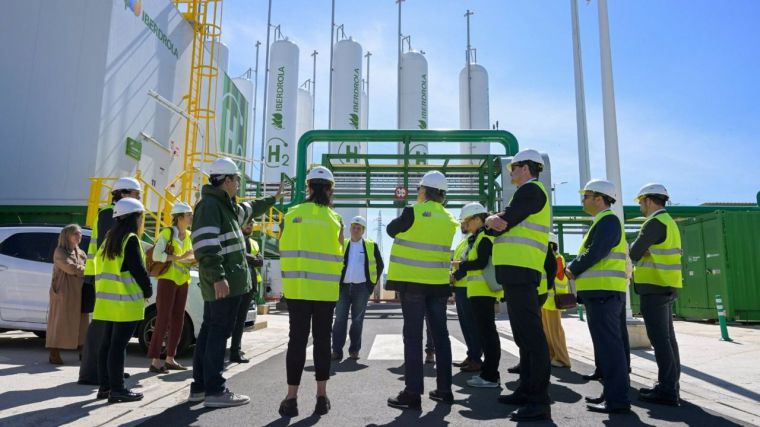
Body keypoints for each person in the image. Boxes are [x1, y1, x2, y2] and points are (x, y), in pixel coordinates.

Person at [189, 157, 282, 408]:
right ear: (227, 180)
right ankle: (215, 390)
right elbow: (206, 246)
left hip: (226, 282)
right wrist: (218, 277)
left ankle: (199, 387)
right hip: (223, 283)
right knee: (217, 334)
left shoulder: (225, 206)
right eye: (237, 180)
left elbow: (250, 208)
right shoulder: (210, 206)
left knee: (210, 332)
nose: (239, 184)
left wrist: (273, 199)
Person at [485, 149, 552, 421]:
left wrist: (491, 219)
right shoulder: (527, 193)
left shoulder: (531, 191)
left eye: (513, 167)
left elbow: (501, 223)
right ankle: (526, 390)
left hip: (523, 271)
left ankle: (539, 400)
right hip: (517, 272)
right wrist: (495, 221)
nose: (510, 171)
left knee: (532, 336)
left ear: (526, 168)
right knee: (524, 335)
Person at [386, 170, 458, 411]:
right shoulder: (450, 220)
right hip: (438, 285)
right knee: (441, 337)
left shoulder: (412, 212)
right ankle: (445, 390)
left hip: (413, 284)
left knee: (413, 337)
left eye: (419, 190)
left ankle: (412, 393)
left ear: (425, 191)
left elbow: (390, 230)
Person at [278, 166, 343, 417]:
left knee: (297, 341)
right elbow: (339, 251)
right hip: (325, 291)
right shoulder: (336, 220)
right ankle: (321, 396)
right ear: (329, 189)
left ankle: (291, 398)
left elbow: (283, 245)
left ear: (308, 187)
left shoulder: (291, 214)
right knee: (322, 342)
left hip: (297, 289)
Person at [566, 179, 631, 414]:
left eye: (585, 196)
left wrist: (573, 268)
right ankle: (611, 394)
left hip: (604, 292)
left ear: (599, 198)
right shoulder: (603, 221)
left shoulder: (608, 221)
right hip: (600, 293)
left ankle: (617, 400)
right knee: (606, 348)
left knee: (610, 348)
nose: (582, 200)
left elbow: (596, 252)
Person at [79, 177, 142, 385]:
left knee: (112, 330)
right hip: (104, 278)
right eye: (136, 194)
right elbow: (113, 248)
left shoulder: (112, 213)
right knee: (102, 331)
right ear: (123, 194)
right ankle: (92, 374)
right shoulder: (109, 213)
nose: (139, 198)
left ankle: (111, 372)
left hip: (106, 276)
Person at [92, 198, 152, 403]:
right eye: (142, 217)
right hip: (125, 302)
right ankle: (118, 389)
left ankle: (105, 387)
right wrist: (148, 289)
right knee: (118, 346)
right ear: (135, 217)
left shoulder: (109, 238)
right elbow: (138, 270)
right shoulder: (130, 239)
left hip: (106, 302)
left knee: (107, 345)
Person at [630, 183, 682, 406]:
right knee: (668, 339)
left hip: (655, 286)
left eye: (641, 202)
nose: (641, 207)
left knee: (660, 340)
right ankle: (671, 385)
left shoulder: (653, 223)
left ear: (649, 201)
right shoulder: (669, 222)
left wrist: (642, 249)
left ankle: (667, 390)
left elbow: (634, 251)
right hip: (668, 285)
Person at [452, 202, 503, 388]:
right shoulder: (479, 237)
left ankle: (491, 375)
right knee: (485, 333)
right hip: (478, 292)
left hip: (484, 292)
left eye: (467, 221)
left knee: (488, 334)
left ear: (476, 219)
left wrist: (462, 266)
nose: (466, 224)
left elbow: (480, 262)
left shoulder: (485, 237)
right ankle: (488, 373)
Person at [147, 202, 195, 373]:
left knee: (178, 320)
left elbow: (190, 256)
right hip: (167, 280)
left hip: (183, 281)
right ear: (180, 217)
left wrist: (192, 259)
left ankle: (170, 358)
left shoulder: (189, 235)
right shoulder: (167, 233)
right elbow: (157, 255)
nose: (191, 217)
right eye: (189, 214)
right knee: (163, 319)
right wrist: (180, 257)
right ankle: (155, 361)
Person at [331, 215, 385, 361]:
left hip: (361, 289)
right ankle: (336, 351)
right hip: (343, 288)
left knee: (357, 320)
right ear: (350, 228)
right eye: (354, 227)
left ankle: (354, 350)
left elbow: (380, 265)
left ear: (363, 230)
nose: (356, 230)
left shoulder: (370, 245)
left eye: (359, 228)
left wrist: (370, 286)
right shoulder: (343, 244)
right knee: (340, 319)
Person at [46, 224, 88, 365]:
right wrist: (88, 269)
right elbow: (71, 268)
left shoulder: (80, 252)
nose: (79, 236)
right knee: (60, 322)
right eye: (76, 233)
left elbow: (83, 267)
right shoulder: (60, 251)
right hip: (64, 292)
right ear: (67, 235)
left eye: (80, 234)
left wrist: (86, 269)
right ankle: (54, 353)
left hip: (79, 292)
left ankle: (84, 351)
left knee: (82, 322)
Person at [228, 219, 264, 364]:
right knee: (230, 319)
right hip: (235, 284)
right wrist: (250, 258)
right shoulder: (235, 239)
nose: (250, 225)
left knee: (241, 320)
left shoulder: (254, 243)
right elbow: (239, 256)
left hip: (250, 286)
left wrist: (249, 258)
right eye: (247, 223)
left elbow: (260, 262)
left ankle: (235, 351)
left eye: (251, 223)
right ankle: (221, 349)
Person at [451, 221, 482, 373]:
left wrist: (455, 275)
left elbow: (466, 263)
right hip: (460, 287)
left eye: (464, 222)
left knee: (471, 325)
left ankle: (476, 359)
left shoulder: (473, 240)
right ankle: (471, 356)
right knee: (465, 325)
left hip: (467, 286)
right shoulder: (463, 241)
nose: (462, 225)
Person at [541, 233, 571, 369]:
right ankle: (551, 356)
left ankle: (562, 359)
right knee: (547, 331)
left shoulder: (558, 258)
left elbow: (552, 274)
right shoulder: (550, 257)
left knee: (555, 331)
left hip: (553, 300)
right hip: (547, 300)